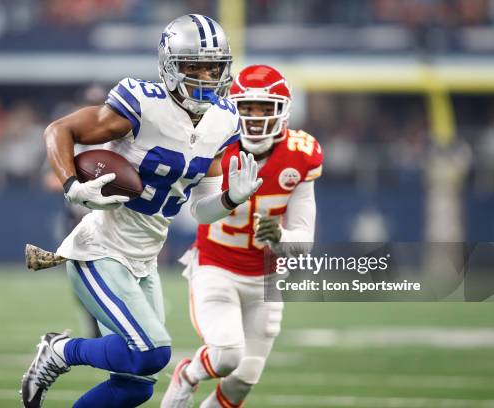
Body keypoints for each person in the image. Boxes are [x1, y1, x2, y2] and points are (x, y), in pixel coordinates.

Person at [20, 15, 263, 408]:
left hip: (144, 257)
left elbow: (200, 213)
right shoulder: (142, 104)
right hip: (100, 248)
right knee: (153, 352)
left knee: (138, 383)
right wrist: (72, 187)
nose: (205, 75)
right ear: (170, 67)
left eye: (213, 66)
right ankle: (60, 350)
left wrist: (230, 199)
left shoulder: (224, 121)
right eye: (194, 66)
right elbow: (58, 131)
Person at [161, 65, 323, 408]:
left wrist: (279, 236)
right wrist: (230, 197)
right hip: (216, 267)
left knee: (242, 382)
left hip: (266, 277)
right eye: (247, 107)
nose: (256, 117)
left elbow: (303, 243)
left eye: (265, 108)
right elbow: (199, 212)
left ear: (283, 111)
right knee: (226, 356)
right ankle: (187, 376)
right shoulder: (215, 146)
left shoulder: (301, 154)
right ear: (233, 107)